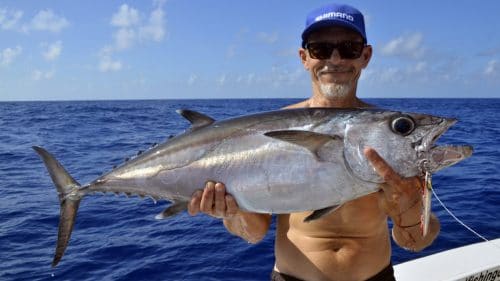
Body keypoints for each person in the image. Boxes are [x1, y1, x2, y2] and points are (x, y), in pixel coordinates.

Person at [188, 3, 440, 281]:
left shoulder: (390, 135)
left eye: (349, 48)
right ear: (304, 56)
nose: (335, 59)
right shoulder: (271, 127)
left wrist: (407, 208)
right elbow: (255, 231)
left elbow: (415, 242)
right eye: (320, 48)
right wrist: (230, 212)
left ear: (365, 56)